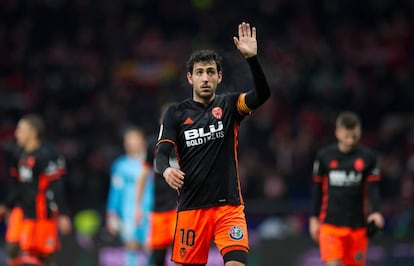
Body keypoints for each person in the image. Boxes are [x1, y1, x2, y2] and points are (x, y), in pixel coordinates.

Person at [154, 22, 271, 266]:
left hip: (228, 208)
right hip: (191, 209)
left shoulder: (230, 105)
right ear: (190, 78)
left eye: (210, 72)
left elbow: (262, 95)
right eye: (199, 72)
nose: (205, 78)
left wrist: (252, 60)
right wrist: (166, 170)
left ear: (219, 76)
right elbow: (161, 155)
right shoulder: (175, 114)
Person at [309, 111, 385, 266]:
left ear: (360, 132)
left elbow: (373, 189)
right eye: (347, 136)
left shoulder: (369, 158)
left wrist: (376, 212)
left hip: (358, 227)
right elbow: (317, 190)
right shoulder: (324, 157)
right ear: (337, 133)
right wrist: (313, 218)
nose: (351, 141)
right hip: (330, 226)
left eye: (354, 136)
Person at [4, 114, 72, 266]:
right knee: (12, 245)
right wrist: (6, 205)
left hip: (42, 210)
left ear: (33, 133)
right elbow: (15, 184)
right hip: (22, 208)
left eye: (21, 130)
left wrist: (63, 213)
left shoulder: (49, 154)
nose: (16, 134)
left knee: (44, 254)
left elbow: (57, 185)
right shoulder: (17, 154)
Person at [106, 126, 153, 266]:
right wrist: (112, 214)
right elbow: (115, 191)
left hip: (150, 212)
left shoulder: (153, 163)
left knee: (151, 247)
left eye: (135, 139)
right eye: (128, 140)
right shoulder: (120, 166)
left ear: (142, 141)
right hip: (128, 213)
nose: (131, 143)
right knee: (131, 246)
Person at [137, 105, 179, 266]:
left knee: (182, 252)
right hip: (159, 208)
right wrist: (138, 206)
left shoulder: (186, 141)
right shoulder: (152, 144)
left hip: (180, 206)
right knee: (157, 257)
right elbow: (143, 174)